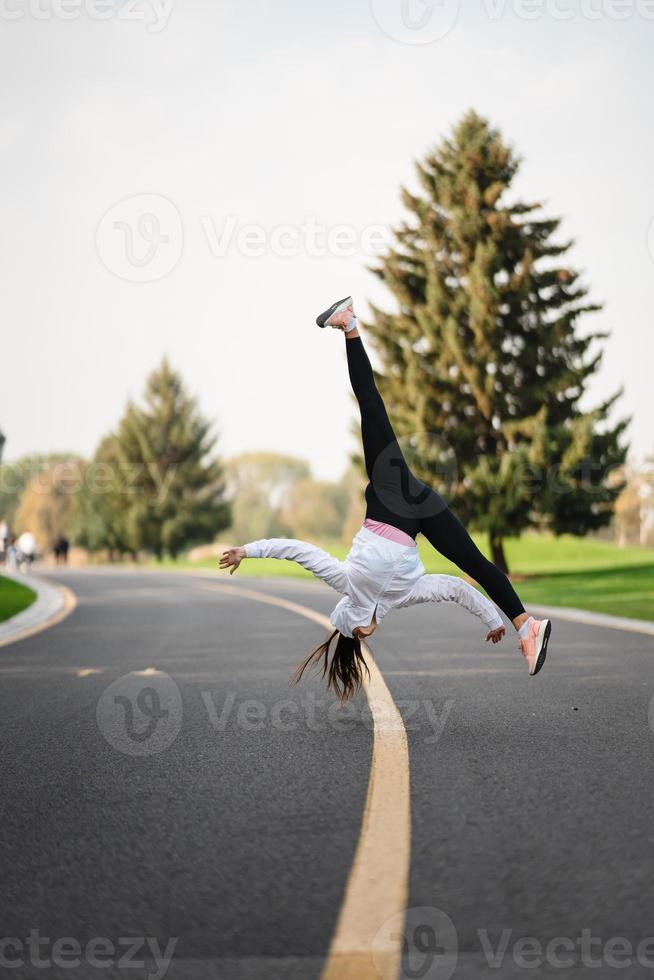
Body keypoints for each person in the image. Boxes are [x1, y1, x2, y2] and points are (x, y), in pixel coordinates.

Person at [220, 297, 551, 699]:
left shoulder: (347, 584)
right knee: (475, 564)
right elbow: (454, 589)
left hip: (389, 495)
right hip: (419, 510)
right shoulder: (400, 598)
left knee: (372, 408)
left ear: (353, 624)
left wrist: (248, 551)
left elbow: (298, 551)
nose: (366, 635)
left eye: (358, 636)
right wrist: (490, 620)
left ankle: (350, 325)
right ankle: (526, 627)